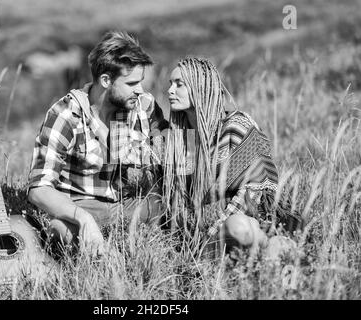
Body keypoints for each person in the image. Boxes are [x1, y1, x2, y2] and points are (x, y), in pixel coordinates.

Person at [27, 31, 168, 255]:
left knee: (168, 206)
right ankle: (110, 263)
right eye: (131, 83)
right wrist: (84, 219)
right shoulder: (66, 115)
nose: (140, 90)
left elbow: (171, 158)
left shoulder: (144, 106)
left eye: (140, 82)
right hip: (78, 208)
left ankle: (132, 257)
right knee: (59, 229)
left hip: (125, 207)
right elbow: (38, 190)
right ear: (105, 80)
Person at [163, 57, 302, 255]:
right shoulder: (182, 139)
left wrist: (212, 234)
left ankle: (273, 245)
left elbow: (255, 191)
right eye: (170, 84)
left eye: (179, 84)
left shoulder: (236, 126)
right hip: (206, 230)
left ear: (200, 87)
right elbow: (182, 197)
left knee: (238, 227)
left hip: (254, 218)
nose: (170, 90)